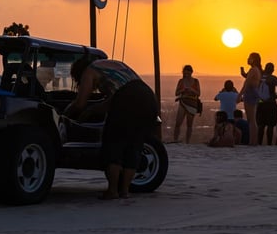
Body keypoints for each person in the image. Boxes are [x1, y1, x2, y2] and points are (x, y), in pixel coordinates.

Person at [65, 56, 158, 199]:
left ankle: (112, 190)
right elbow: (112, 101)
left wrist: (65, 113)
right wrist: (92, 110)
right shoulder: (111, 65)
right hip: (148, 98)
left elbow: (80, 103)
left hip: (128, 98)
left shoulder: (89, 71)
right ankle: (125, 190)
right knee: (134, 145)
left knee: (113, 145)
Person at [238, 52, 262, 146]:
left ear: (254, 59)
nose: (248, 59)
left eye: (250, 58)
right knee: (251, 119)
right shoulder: (255, 70)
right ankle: (252, 141)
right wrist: (243, 72)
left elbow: (247, 83)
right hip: (252, 94)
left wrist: (239, 95)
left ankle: (253, 141)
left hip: (250, 94)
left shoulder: (253, 70)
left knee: (251, 120)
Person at [256, 62, 277, 145]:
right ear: (272, 70)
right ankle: (269, 144)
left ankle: (259, 143)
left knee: (261, 125)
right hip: (271, 103)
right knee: (270, 125)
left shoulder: (259, 78)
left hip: (260, 103)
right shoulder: (273, 78)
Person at [173, 65, 201, 144]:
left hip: (192, 103)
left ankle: (187, 141)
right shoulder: (181, 81)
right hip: (183, 102)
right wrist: (183, 90)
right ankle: (175, 139)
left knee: (189, 124)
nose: (187, 74)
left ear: (191, 72)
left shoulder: (196, 81)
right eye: (185, 72)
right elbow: (176, 93)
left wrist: (191, 90)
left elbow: (198, 93)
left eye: (188, 72)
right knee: (178, 122)